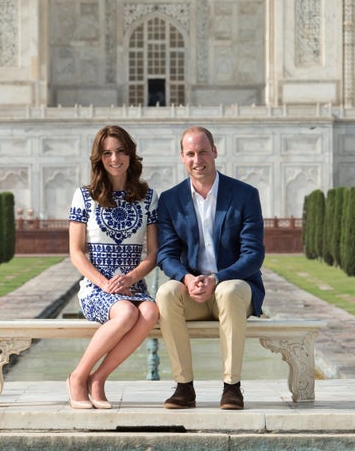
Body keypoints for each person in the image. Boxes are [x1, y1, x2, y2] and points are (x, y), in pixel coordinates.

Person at [155, 126, 265, 410]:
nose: (197, 159)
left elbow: (253, 255)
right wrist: (186, 278)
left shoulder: (244, 195)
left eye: (203, 151)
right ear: (182, 157)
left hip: (235, 288)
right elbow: (166, 255)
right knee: (166, 293)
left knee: (227, 291)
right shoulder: (170, 200)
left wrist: (217, 279)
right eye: (190, 153)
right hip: (195, 292)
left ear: (214, 151)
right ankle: (184, 386)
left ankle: (232, 387)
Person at [67, 125, 159, 409]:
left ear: (130, 155)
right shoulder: (84, 196)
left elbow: (154, 252)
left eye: (120, 151)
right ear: (99, 158)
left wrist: (131, 277)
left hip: (133, 285)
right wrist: (104, 282)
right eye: (107, 153)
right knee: (125, 312)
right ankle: (78, 377)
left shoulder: (148, 197)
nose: (114, 159)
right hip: (96, 288)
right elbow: (76, 252)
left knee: (151, 311)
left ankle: (99, 379)